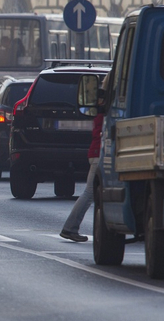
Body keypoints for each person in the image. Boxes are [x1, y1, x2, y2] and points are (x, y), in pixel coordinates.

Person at [60, 79, 107, 242]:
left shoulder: (100, 107)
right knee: (89, 192)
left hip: (96, 152)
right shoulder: (106, 108)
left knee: (93, 192)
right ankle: (70, 228)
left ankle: (71, 227)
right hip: (100, 153)